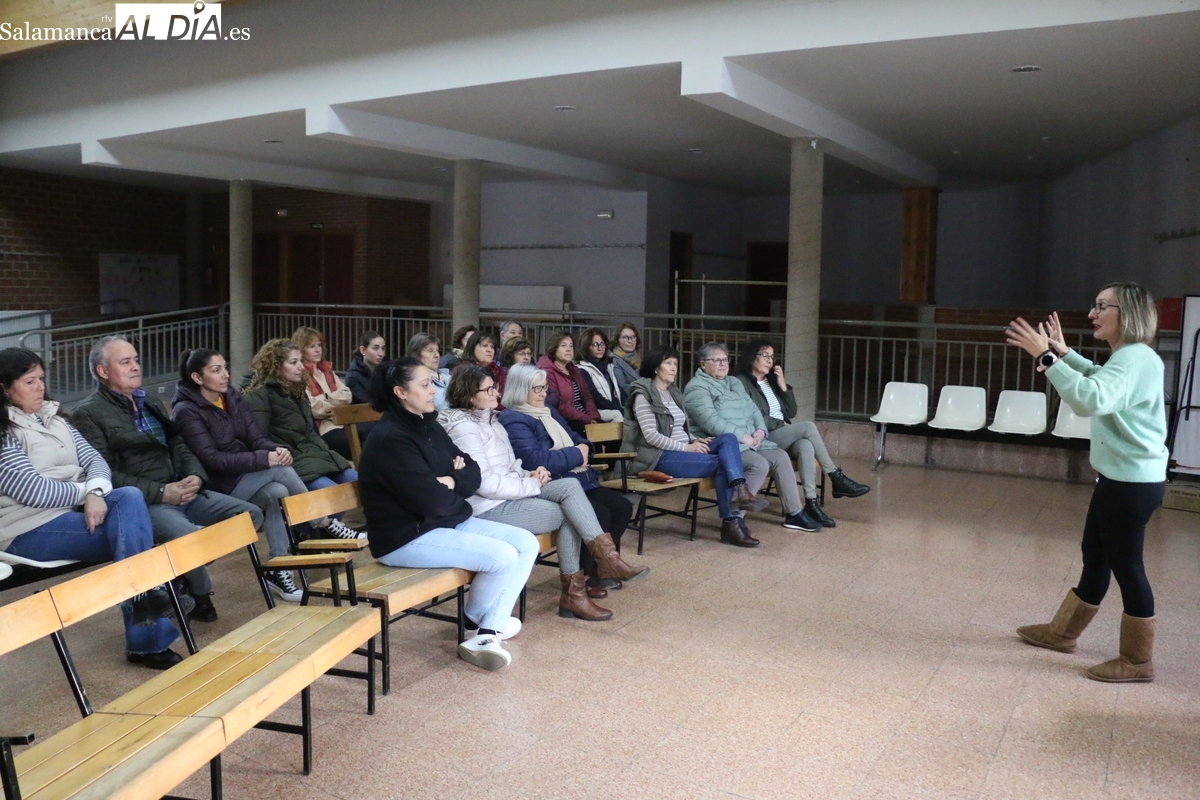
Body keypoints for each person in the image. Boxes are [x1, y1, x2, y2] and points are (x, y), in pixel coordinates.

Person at [1007, 282, 1168, 683]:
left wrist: (1046, 357)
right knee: (1095, 555)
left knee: (1128, 567)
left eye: (1102, 307)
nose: (1093, 314)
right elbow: (1100, 380)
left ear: (1127, 313)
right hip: (1120, 479)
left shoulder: (1135, 358)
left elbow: (1091, 399)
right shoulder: (1129, 357)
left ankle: (1137, 661)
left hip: (1131, 484)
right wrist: (1065, 354)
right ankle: (1062, 633)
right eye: (1094, 306)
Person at [0, 348, 183, 670]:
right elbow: (32, 490)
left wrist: (96, 492)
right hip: (24, 528)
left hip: (73, 511)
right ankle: (149, 615)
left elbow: (94, 461)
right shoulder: (4, 433)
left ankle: (147, 602)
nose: (40, 387)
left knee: (127, 497)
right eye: (29, 381)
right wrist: (87, 493)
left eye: (41, 379)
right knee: (138, 543)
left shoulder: (57, 419)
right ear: (4, 388)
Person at [357, 357, 538, 671]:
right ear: (400, 392)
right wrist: (453, 488)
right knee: (502, 557)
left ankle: (483, 629)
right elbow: (432, 501)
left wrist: (451, 480)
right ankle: (482, 629)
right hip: (406, 536)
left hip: (442, 522)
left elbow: (473, 471)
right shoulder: (391, 439)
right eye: (425, 384)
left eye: (433, 382)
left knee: (526, 543)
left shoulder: (428, 423)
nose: (434, 390)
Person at [72, 336, 264, 624]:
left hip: (183, 489)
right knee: (192, 538)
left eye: (136, 360)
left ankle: (180, 574)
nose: (136, 367)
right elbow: (104, 471)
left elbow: (179, 444)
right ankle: (200, 594)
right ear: (103, 371)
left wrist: (195, 476)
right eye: (125, 362)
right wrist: (162, 492)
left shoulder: (148, 400)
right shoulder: (88, 413)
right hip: (146, 501)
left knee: (249, 516)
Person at [439, 366, 625, 621]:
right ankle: (576, 592)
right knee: (568, 513)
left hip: (510, 493)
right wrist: (531, 485)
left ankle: (605, 559)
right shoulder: (465, 428)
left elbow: (511, 464)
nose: (497, 391)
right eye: (490, 388)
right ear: (470, 396)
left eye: (496, 386)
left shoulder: (491, 420)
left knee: (570, 488)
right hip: (487, 507)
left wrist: (529, 474)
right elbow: (483, 483)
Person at [172, 348, 310, 604]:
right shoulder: (186, 410)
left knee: (278, 492)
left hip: (245, 476)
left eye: (225, 367)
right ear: (197, 378)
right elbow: (211, 460)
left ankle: (278, 569)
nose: (225, 375)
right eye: (216, 370)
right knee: (279, 470)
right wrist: (264, 460)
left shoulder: (230, 396)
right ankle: (319, 521)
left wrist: (276, 450)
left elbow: (255, 437)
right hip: (217, 486)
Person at [501, 364, 647, 590]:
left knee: (622, 507)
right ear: (520, 390)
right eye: (536, 388)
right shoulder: (514, 419)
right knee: (600, 513)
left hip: (579, 478)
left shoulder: (548, 410)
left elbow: (579, 438)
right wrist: (577, 453)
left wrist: (582, 449)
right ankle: (585, 576)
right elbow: (537, 460)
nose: (543, 393)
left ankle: (601, 569)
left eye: (544, 387)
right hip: (553, 484)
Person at [623, 345, 767, 548]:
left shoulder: (673, 392)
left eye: (675, 363)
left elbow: (679, 427)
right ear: (656, 367)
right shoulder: (643, 394)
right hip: (661, 456)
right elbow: (651, 436)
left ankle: (739, 491)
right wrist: (687, 448)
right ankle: (732, 520)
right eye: (668, 363)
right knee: (721, 464)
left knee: (728, 438)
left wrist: (692, 439)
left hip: (683, 448)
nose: (674, 368)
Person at [735, 339, 869, 529]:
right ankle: (835, 476)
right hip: (763, 436)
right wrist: (778, 424)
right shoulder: (742, 382)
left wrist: (783, 386)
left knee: (806, 445)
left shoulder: (770, 383)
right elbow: (754, 417)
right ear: (751, 357)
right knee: (807, 427)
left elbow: (791, 412)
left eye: (772, 357)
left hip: (780, 433)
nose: (769, 361)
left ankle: (811, 503)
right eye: (765, 355)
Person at [683, 342, 818, 532]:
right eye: (716, 360)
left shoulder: (733, 382)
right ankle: (733, 521)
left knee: (780, 456)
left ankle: (794, 513)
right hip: (720, 445)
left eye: (725, 359)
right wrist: (743, 436)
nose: (723, 364)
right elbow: (711, 422)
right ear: (703, 364)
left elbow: (754, 409)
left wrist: (761, 431)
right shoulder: (696, 388)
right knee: (758, 464)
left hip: (749, 441)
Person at [242, 339, 365, 539]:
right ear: (276, 366)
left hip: (314, 456)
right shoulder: (259, 395)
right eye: (293, 362)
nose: (301, 367)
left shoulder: (297, 390)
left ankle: (324, 534)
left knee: (359, 482)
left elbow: (311, 433)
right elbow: (258, 437)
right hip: (291, 461)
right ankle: (310, 535)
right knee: (330, 493)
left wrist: (327, 455)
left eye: (300, 361)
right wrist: (281, 452)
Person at [292, 326, 355, 460]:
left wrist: (325, 398)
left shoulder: (326, 370)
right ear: (301, 350)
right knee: (355, 448)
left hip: (343, 423)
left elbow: (347, 396)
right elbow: (313, 408)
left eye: (319, 345)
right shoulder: (299, 375)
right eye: (312, 346)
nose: (317, 350)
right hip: (323, 429)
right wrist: (336, 404)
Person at [537, 332, 601, 435]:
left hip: (584, 418)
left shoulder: (573, 369)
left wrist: (593, 417)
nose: (568, 349)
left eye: (571, 346)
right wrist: (587, 419)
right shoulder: (546, 371)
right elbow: (559, 406)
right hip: (564, 420)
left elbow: (587, 396)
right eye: (563, 346)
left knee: (610, 434)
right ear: (554, 349)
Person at [575, 327, 625, 422]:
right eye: (595, 344)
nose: (600, 348)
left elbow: (617, 390)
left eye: (602, 344)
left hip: (612, 406)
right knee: (618, 415)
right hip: (597, 410)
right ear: (586, 347)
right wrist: (619, 409)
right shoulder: (582, 369)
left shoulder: (609, 365)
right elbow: (595, 397)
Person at [457, 331, 507, 404]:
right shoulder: (463, 371)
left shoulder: (498, 371)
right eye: (485, 346)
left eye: (492, 347)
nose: (489, 350)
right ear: (472, 348)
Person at [407, 332, 452, 411]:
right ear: (416, 355)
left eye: (437, 350)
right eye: (430, 351)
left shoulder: (448, 376)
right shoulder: (415, 380)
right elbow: (440, 406)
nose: (436, 355)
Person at [345, 330, 386, 405]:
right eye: (375, 348)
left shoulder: (388, 369)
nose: (381, 353)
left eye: (383, 348)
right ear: (363, 350)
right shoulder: (353, 377)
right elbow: (368, 402)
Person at [610, 322, 643, 399]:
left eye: (633, 337)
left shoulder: (636, 358)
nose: (630, 341)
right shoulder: (614, 360)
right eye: (625, 337)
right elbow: (622, 387)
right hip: (628, 402)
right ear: (617, 340)